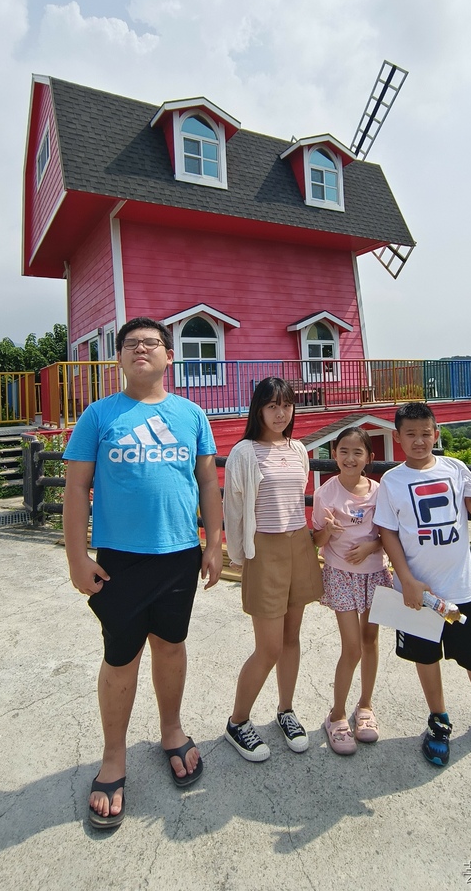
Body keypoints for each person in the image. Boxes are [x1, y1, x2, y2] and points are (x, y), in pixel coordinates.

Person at [63, 317, 223, 828]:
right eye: (130, 344)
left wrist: (213, 543)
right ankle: (114, 758)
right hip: (120, 560)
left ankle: (171, 731)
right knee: (121, 655)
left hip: (179, 554)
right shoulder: (98, 415)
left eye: (151, 343)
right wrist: (76, 556)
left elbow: (207, 482)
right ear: (119, 357)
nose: (141, 350)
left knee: (171, 646)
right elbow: (75, 490)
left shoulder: (192, 414)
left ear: (169, 356)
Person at [374, 402, 471, 767]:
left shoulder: (456, 469)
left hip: (460, 588)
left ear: (436, 434)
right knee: (425, 658)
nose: (419, 440)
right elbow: (388, 533)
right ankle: (438, 720)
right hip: (417, 593)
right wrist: (406, 579)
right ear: (397, 438)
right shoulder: (392, 481)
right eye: (410, 434)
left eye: (426, 433)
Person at [222, 376, 323, 761]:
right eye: (272, 406)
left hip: (299, 544)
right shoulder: (244, 452)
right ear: (258, 410)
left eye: (286, 405)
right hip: (264, 548)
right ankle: (238, 721)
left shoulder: (298, 448)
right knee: (268, 647)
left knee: (292, 638)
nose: (280, 413)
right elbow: (234, 508)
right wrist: (237, 554)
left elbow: (299, 498)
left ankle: (286, 710)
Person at [312, 427, 393, 754]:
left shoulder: (379, 492)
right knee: (352, 647)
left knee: (371, 640)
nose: (350, 458)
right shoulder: (325, 494)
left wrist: (371, 545)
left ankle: (365, 707)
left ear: (369, 459)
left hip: (373, 573)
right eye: (343, 451)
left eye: (357, 452)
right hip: (340, 575)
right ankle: (337, 715)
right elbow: (316, 541)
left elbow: (389, 534)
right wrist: (327, 532)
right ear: (334, 454)